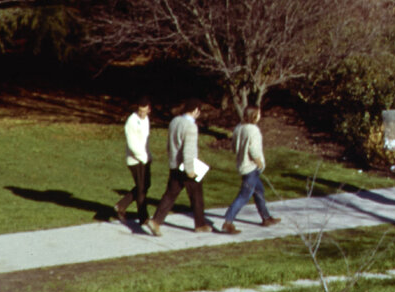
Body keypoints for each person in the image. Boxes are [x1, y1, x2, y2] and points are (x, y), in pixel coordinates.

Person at [150, 98, 212, 235]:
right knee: (197, 196)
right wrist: (190, 170)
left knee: (170, 194)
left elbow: (170, 144)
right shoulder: (191, 127)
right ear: (196, 110)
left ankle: (156, 221)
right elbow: (188, 150)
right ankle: (200, 224)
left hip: (174, 164)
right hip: (186, 166)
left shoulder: (174, 121)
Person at [218, 106, 281, 233]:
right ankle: (228, 222)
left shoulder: (238, 128)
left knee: (259, 191)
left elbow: (234, 147)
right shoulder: (253, 130)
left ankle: (266, 218)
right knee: (244, 196)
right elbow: (254, 150)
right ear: (254, 116)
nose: (260, 116)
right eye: (258, 114)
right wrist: (259, 163)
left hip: (242, 165)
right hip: (251, 168)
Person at [114, 98, 154, 232]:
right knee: (142, 188)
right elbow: (132, 144)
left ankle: (121, 205)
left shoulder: (146, 119)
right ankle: (143, 217)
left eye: (145, 111)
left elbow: (145, 140)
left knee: (145, 185)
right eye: (140, 111)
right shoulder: (131, 121)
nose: (142, 114)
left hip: (144, 157)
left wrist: (148, 155)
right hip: (135, 159)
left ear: (149, 109)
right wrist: (143, 157)